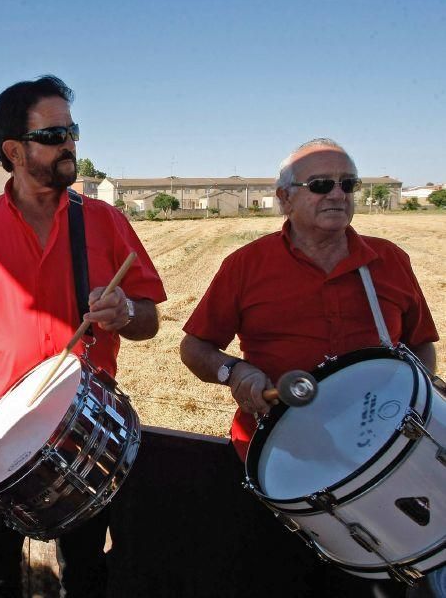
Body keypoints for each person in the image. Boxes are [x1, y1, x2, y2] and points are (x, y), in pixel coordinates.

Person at [0, 75, 166, 598]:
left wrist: (125, 312)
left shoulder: (104, 221)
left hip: (83, 423)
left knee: (86, 571)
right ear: (14, 151)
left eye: (72, 131)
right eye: (54, 135)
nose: (70, 143)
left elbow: (149, 319)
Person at [179, 138, 439, 597]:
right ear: (285, 198)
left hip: (387, 462)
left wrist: (412, 410)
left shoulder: (389, 260)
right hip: (284, 466)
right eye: (321, 184)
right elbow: (196, 346)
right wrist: (235, 373)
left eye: (347, 184)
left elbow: (419, 344)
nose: (337, 194)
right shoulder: (246, 266)